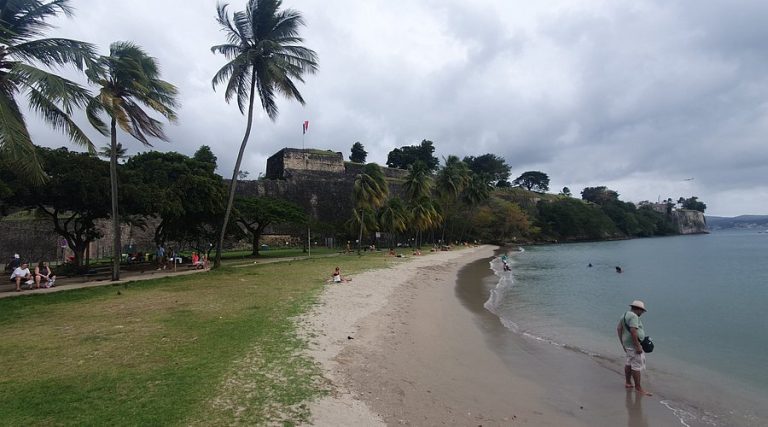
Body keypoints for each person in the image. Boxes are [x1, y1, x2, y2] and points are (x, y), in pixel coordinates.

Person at [617, 300, 652, 396]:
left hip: (627, 344)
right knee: (636, 366)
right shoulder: (634, 317)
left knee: (629, 363)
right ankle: (638, 388)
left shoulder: (625, 315)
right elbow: (633, 331)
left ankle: (628, 382)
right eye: (642, 311)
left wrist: (622, 343)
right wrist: (637, 346)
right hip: (633, 346)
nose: (642, 313)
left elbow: (619, 329)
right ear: (638, 309)